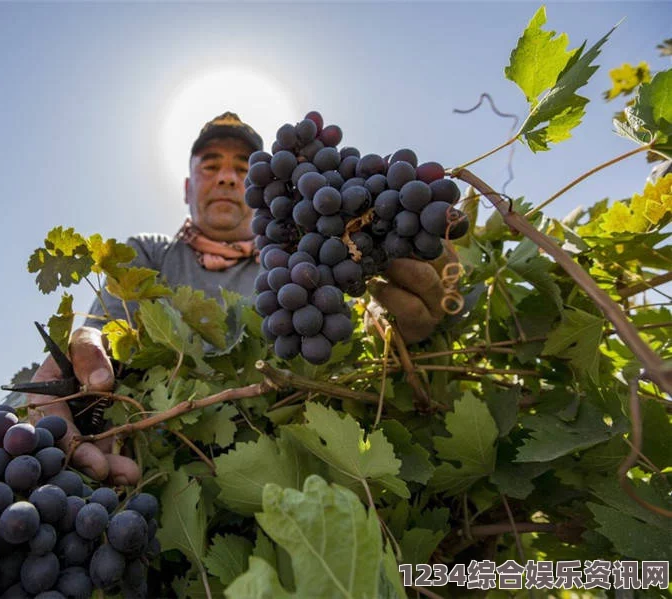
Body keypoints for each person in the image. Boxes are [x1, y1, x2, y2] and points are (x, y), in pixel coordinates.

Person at [27, 112, 454, 486]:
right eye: (211, 166)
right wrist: (79, 355)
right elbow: (104, 326)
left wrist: (395, 323)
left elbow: (350, 326)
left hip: (282, 465)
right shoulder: (150, 254)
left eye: (240, 168)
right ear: (187, 186)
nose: (227, 177)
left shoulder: (304, 259)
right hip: (162, 456)